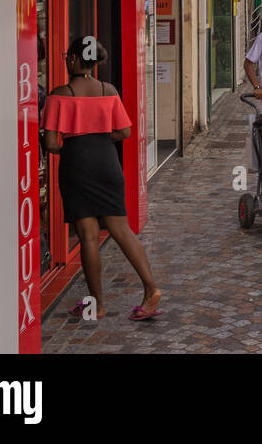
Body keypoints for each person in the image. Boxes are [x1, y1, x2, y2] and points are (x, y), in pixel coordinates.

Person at [43, 35, 162, 321]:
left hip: (77, 164)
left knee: (88, 236)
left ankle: (96, 304)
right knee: (122, 229)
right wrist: (100, 139)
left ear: (73, 59)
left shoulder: (60, 93)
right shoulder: (109, 91)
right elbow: (125, 133)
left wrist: (75, 144)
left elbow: (51, 144)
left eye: (67, 57)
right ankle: (151, 289)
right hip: (108, 162)